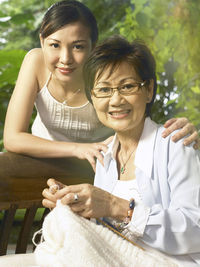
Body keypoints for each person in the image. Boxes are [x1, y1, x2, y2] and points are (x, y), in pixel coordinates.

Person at [42, 36, 200, 266]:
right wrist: (76, 202)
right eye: (104, 90)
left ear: (148, 90)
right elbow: (107, 233)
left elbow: (196, 229)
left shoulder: (175, 143)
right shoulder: (105, 155)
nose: (116, 100)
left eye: (127, 86)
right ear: (92, 98)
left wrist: (116, 206)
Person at [3, 0, 200, 172]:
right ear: (42, 41)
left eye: (78, 46)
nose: (65, 59)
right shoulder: (35, 62)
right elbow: (12, 138)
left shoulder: (106, 75)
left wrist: (178, 135)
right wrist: (77, 149)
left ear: (93, 46)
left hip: (100, 166)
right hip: (43, 162)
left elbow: (139, 122)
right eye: (54, 45)